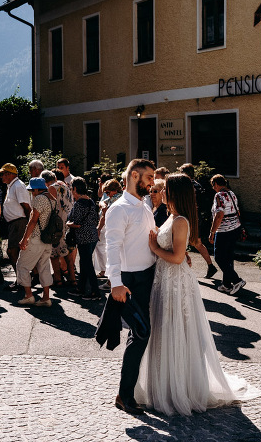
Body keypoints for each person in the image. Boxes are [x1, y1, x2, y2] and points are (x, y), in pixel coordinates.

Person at [134, 173, 261, 415]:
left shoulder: (180, 220)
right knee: (164, 330)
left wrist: (154, 247)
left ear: (174, 193)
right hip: (165, 279)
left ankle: (179, 387)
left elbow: (178, 257)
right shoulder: (172, 216)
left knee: (175, 331)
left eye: (165, 189)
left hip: (175, 283)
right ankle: (164, 383)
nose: (160, 192)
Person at [107, 159, 157, 415]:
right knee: (141, 333)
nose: (152, 182)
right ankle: (125, 395)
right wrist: (115, 283)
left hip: (147, 278)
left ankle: (127, 393)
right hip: (127, 282)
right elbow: (112, 246)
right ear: (134, 176)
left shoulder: (145, 206)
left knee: (137, 335)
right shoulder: (119, 209)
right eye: (149, 177)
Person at [15, 177, 55, 307]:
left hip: (37, 238)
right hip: (48, 239)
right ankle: (46, 297)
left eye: (32, 190)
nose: (32, 193)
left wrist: (24, 239)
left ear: (37, 189)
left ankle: (28, 295)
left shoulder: (39, 199)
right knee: (44, 267)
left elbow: (33, 220)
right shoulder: (51, 199)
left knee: (22, 265)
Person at [177, 163, 217, 278]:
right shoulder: (197, 185)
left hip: (188, 217)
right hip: (197, 217)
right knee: (196, 243)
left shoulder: (186, 186)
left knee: (187, 242)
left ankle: (184, 269)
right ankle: (210, 265)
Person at [208, 174, 246, 295]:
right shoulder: (232, 194)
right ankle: (226, 284)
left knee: (219, 257)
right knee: (228, 257)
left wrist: (212, 232)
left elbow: (219, 215)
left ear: (216, 184)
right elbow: (237, 211)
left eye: (213, 185)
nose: (213, 188)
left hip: (224, 230)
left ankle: (236, 280)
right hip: (235, 228)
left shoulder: (219, 195)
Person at [67, 177, 101, 300]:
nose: (71, 191)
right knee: (84, 262)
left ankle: (95, 292)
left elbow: (76, 223)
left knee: (87, 265)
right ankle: (81, 288)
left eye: (71, 188)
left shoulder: (79, 203)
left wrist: (68, 224)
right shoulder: (91, 201)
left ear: (75, 188)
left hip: (84, 237)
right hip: (93, 236)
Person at [0, 163, 31, 277]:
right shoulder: (13, 186)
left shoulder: (17, 186)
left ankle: (22, 279)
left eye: (3, 174)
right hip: (15, 223)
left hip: (19, 223)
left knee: (13, 252)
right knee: (17, 252)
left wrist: (29, 224)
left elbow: (26, 207)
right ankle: (26, 277)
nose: (1, 177)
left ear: (9, 174)